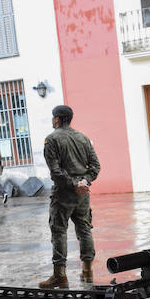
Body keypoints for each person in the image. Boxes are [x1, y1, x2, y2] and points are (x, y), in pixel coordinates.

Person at [39, 105, 100, 288]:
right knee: (84, 229)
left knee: (59, 231)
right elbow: (95, 166)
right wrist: (84, 182)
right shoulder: (83, 138)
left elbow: (56, 171)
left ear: (57, 119)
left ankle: (60, 275)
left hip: (64, 193)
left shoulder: (51, 139)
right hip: (82, 194)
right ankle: (87, 271)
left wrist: (74, 184)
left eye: (53, 117)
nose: (52, 120)